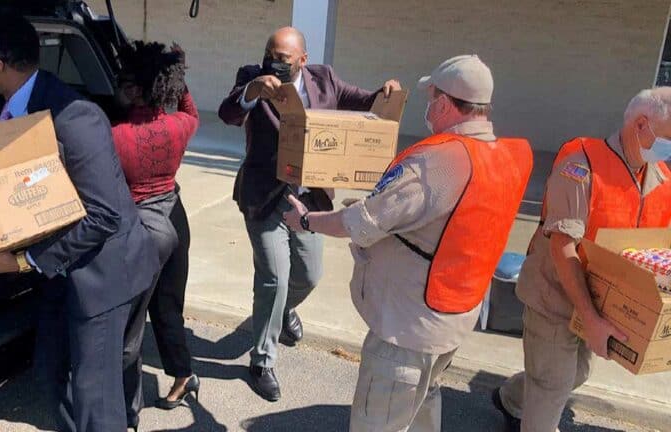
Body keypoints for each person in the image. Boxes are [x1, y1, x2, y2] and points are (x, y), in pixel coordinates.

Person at [283, 55, 533, 431]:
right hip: (454, 317)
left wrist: (306, 220)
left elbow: (360, 223)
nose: (427, 106)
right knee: (423, 401)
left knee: (379, 420)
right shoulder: (506, 156)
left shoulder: (437, 162)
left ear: (445, 104)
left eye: (431, 98)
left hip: (407, 328)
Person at [0, 10, 159, 432]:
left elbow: (104, 214)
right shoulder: (3, 110)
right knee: (50, 374)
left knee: (95, 398)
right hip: (60, 268)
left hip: (103, 273)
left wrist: (21, 261)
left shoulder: (75, 116)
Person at [217, 26, 401, 402]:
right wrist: (252, 91)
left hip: (308, 199)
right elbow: (228, 112)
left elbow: (363, 102)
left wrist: (384, 92)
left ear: (303, 59)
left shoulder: (324, 79)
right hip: (266, 196)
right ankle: (262, 362)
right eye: (269, 54)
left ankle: (282, 311)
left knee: (309, 275)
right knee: (274, 279)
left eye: (282, 58)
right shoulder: (252, 77)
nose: (273, 62)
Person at [494, 87, 671, 432]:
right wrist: (591, 320)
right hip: (554, 294)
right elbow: (563, 248)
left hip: (598, 300)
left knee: (576, 372)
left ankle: (510, 399)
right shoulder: (580, 165)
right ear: (641, 125)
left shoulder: (660, 178)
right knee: (553, 384)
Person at [111, 40, 200, 412]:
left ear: (135, 89)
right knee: (168, 305)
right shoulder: (181, 126)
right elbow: (190, 109)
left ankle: (124, 401)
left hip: (140, 226)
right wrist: (177, 76)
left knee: (130, 320)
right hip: (175, 216)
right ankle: (183, 374)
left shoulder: (115, 134)